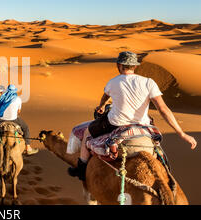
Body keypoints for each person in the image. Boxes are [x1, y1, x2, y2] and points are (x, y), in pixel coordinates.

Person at [68, 51, 197, 181]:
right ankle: (168, 177)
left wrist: (101, 106)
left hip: (115, 123)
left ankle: (81, 170)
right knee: (160, 153)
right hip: (143, 125)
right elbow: (163, 109)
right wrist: (182, 133)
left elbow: (105, 96)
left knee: (86, 133)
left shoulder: (113, 82)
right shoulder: (148, 82)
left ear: (119, 65)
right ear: (135, 66)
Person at [0, 84, 39, 155]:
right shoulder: (18, 99)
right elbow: (19, 111)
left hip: (1, 119)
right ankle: (28, 147)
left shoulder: (2, 98)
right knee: (25, 128)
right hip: (13, 119)